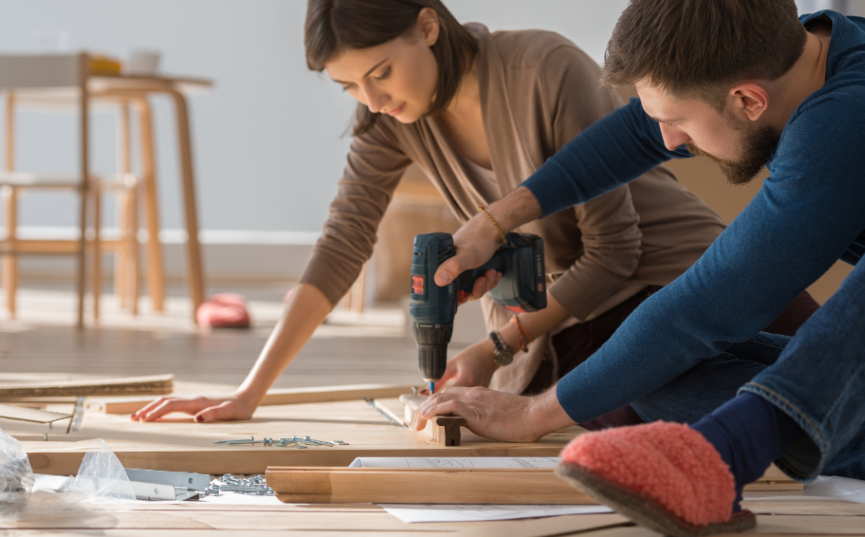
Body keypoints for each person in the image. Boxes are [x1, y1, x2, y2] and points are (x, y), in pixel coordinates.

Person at [413, 0, 865, 533]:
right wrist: (494, 223)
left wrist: (534, 414)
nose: (668, 139)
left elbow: (710, 306)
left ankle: (735, 447)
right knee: (650, 375)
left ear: (747, 99)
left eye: (676, 123)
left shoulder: (850, 119)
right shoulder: (804, 50)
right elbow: (632, 134)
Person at [131, 0, 818, 427]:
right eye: (349, 87)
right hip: (576, 320)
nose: (371, 99)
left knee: (841, 375)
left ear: (428, 25)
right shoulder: (392, 122)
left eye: (380, 74)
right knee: (616, 413)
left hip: (687, 278)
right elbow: (343, 242)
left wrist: (495, 347)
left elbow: (618, 252)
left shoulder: (543, 68)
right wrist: (250, 391)